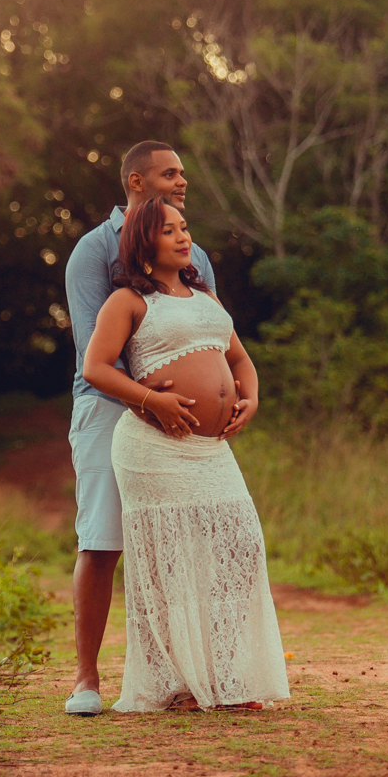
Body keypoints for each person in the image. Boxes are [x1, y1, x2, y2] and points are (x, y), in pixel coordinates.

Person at [83, 198, 289, 712]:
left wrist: (250, 397)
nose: (182, 236)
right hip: (154, 449)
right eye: (169, 230)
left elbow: (240, 358)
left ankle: (227, 678)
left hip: (209, 450)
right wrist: (151, 398)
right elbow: (96, 368)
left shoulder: (206, 296)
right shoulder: (128, 300)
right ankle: (178, 685)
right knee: (168, 564)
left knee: (239, 546)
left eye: (184, 226)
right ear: (144, 243)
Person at [63, 142, 216, 715]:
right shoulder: (91, 252)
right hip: (109, 408)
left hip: (179, 415)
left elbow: (208, 327)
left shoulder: (194, 251)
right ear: (135, 180)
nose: (182, 181)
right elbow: (93, 352)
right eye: (169, 173)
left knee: (177, 543)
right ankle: (85, 679)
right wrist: (149, 400)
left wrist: (224, 395)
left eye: (181, 172)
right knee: (102, 540)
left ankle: (181, 675)